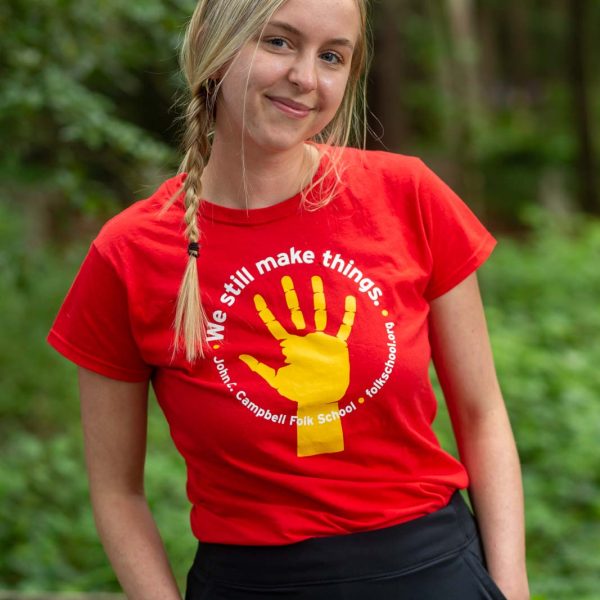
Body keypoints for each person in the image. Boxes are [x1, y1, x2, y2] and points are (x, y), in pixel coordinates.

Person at [47, 0, 530, 598]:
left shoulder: (408, 195)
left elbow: (482, 416)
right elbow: (117, 491)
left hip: (430, 570)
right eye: (278, 42)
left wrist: (511, 589)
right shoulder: (129, 253)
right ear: (215, 52)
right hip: (253, 582)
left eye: (332, 56)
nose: (306, 77)